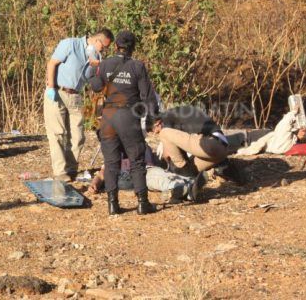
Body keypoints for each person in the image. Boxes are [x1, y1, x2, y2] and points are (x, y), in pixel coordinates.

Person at [88, 30, 158, 215]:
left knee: (111, 162)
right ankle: (142, 204)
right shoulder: (137, 66)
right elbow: (147, 96)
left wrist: (92, 72)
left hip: (108, 116)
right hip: (128, 115)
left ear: (117, 46)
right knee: (136, 160)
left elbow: (96, 86)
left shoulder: (105, 64)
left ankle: (113, 204)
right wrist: (152, 119)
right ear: (132, 48)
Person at [44, 29, 113, 182]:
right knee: (58, 133)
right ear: (97, 41)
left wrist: (97, 67)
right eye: (104, 47)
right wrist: (50, 87)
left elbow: (94, 81)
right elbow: (52, 63)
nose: (104, 50)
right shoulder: (70, 44)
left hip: (75, 95)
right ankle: (60, 171)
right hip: (57, 91)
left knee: (78, 135)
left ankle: (71, 168)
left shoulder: (96, 57)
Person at [88, 146, 206, 204]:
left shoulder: (141, 144)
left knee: (161, 175)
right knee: (159, 178)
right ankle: (189, 188)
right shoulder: (115, 147)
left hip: (144, 170)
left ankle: (189, 185)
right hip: (131, 176)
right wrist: (95, 183)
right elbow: (103, 171)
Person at [148, 105, 229, 175]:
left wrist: (165, 148)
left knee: (164, 133)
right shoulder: (176, 116)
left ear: (157, 124)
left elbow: (171, 153)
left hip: (212, 141)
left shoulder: (168, 118)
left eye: (154, 131)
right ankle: (224, 166)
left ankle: (181, 176)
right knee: (189, 171)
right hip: (221, 149)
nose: (156, 134)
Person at [235, 105, 306, 156]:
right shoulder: (290, 143)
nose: (301, 128)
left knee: (225, 141)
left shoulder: (286, 137)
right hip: (251, 140)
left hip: (248, 138)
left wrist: (294, 112)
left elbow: (284, 124)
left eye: (303, 129)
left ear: (303, 133)